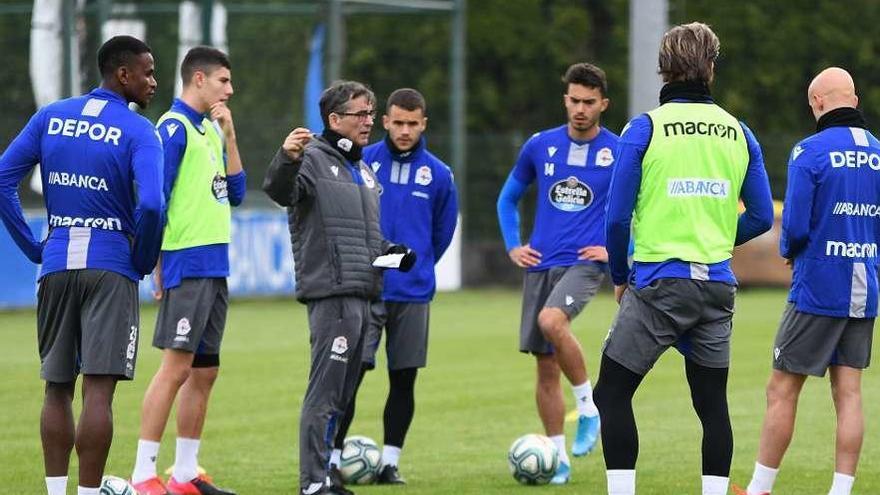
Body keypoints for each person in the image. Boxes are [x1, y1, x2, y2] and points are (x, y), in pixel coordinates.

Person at [595, 22, 774, 495]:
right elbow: (760, 215)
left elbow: (615, 221)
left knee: (611, 393)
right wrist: (715, 235)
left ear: (664, 68)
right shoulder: (739, 132)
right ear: (710, 67)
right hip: (716, 285)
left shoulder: (644, 129)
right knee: (712, 405)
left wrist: (619, 275)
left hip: (658, 283)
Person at [0, 36, 164, 495]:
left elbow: (2, 178)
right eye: (148, 72)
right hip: (110, 266)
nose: (154, 82)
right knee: (98, 391)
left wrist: (34, 246)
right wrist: (143, 259)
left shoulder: (50, 117)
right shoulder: (138, 131)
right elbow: (152, 205)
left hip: (55, 264)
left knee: (56, 387)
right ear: (123, 74)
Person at [262, 80, 414, 495]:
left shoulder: (362, 169)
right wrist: (286, 158)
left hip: (365, 291)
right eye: (360, 115)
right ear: (334, 119)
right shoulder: (310, 158)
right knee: (325, 392)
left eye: (370, 113)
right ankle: (311, 482)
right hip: (332, 292)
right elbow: (280, 191)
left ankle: (327, 474)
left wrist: (391, 252)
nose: (369, 122)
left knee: (343, 395)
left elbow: (367, 239)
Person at [734, 68, 878, 495]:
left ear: (817, 103)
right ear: (854, 98)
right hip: (865, 287)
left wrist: (789, 254)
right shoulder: (878, 153)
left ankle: (759, 490)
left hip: (818, 287)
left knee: (782, 387)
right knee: (849, 393)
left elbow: (794, 226)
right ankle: (841, 491)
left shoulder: (809, 151)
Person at [328, 88, 459, 486]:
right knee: (350, 375)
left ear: (423, 124)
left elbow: (441, 233)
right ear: (385, 121)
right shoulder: (363, 161)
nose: (404, 130)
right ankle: (332, 459)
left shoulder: (439, 174)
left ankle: (389, 462)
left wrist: (413, 268)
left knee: (404, 379)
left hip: (413, 292)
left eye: (412, 124)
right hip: (367, 289)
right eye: (397, 122)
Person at [495, 62, 618, 484]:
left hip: (585, 263)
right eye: (574, 100)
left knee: (552, 321)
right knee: (545, 366)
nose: (580, 109)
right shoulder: (539, 145)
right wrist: (514, 244)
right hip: (540, 263)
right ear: (565, 99)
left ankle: (587, 408)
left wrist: (618, 249)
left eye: (589, 102)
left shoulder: (618, 152)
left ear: (603, 103)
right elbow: (508, 199)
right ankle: (558, 459)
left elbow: (642, 209)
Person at [129, 46, 243, 495]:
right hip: (187, 260)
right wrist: (157, 260)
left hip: (215, 262)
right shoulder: (172, 128)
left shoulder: (210, 129)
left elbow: (235, 192)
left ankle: (185, 474)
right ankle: (142, 475)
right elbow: (155, 200)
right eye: (223, 81)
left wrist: (230, 135)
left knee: (205, 371)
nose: (230, 90)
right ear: (199, 79)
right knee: (174, 369)